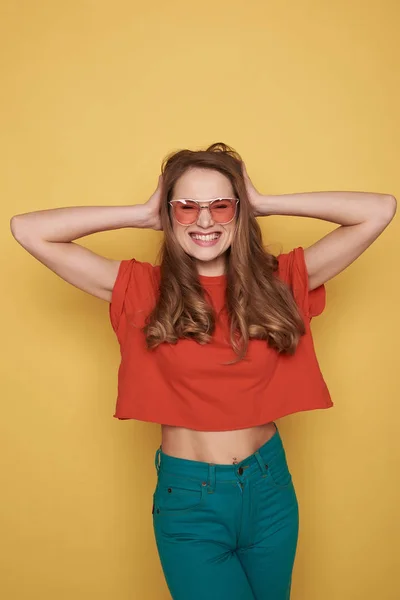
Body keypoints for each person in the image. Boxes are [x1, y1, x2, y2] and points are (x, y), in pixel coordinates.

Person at [10, 142, 396, 600]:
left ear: (239, 211)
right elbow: (28, 230)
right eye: (187, 207)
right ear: (168, 214)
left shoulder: (282, 281)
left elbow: (379, 210)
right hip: (190, 499)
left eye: (221, 205)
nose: (206, 220)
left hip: (269, 487)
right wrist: (140, 213)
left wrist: (264, 204)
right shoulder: (137, 288)